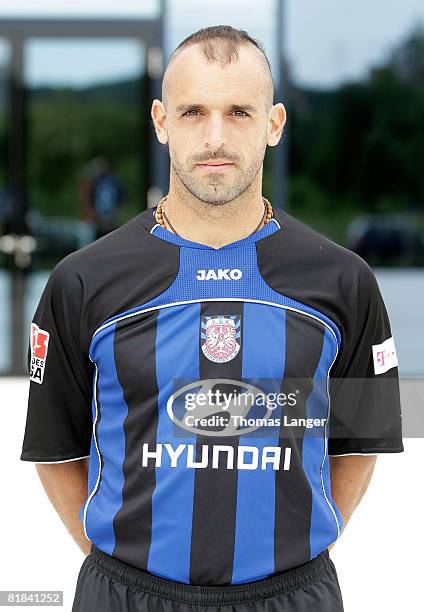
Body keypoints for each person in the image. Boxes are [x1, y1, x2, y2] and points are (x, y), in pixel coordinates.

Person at [20, 25, 404, 612]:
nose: (215, 136)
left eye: (239, 112)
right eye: (193, 111)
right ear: (160, 121)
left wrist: (287, 561)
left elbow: (361, 442)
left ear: (274, 125)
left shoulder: (345, 281)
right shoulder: (82, 281)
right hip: (125, 595)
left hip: (291, 596)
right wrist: (126, 568)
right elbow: (55, 449)